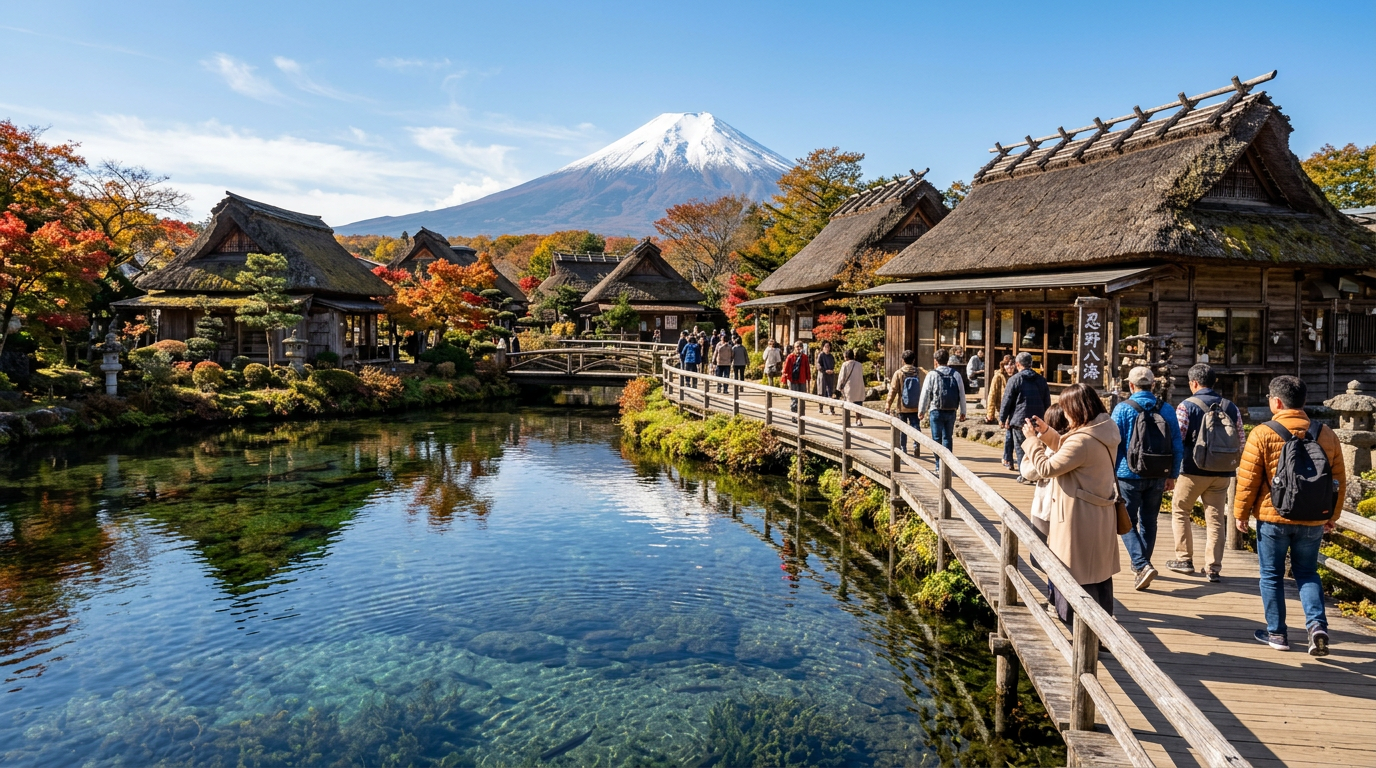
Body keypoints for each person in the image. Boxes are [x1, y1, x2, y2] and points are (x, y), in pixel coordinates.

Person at [1234, 375, 1345, 656]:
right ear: (1303, 402)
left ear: (1277, 401)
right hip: (1313, 518)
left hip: (1273, 517)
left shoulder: (1263, 432)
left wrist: (1240, 514)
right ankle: (1317, 626)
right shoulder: (1326, 433)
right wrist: (1332, 514)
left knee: (1271, 575)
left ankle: (1277, 634)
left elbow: (1248, 480)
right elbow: (1339, 480)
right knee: (1307, 572)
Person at [1019, 383, 1121, 624]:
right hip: (1099, 514)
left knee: (1073, 575)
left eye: (1065, 409)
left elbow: (1046, 468)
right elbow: (1074, 454)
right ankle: (1103, 630)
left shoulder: (1082, 441)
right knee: (1098, 575)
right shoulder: (1103, 429)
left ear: (1076, 409)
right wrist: (1047, 434)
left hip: (1078, 518)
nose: (1064, 414)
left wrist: (1033, 441)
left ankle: (1080, 633)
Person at [1167, 363, 1244, 582]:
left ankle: (1184, 559)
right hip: (1222, 472)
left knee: (1181, 510)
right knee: (1216, 519)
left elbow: (1178, 440)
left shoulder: (1186, 406)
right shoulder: (1231, 407)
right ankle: (1213, 567)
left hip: (1192, 470)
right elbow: (1240, 439)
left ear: (1193, 383)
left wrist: (1173, 470)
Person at [1112, 366, 1184, 592]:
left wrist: (1110, 475)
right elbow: (1177, 445)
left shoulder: (1123, 409)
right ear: (1153, 385)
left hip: (1128, 474)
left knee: (1125, 522)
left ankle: (1142, 565)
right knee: (1149, 521)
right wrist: (1172, 475)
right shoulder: (1167, 410)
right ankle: (1142, 566)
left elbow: (1114, 444)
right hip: (1158, 473)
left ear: (1130, 386)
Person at [1024, 404, 1070, 546]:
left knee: (1038, 552)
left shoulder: (1053, 448)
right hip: (1062, 507)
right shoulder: (1071, 442)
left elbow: (1028, 471)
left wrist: (1032, 441)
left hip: (1047, 506)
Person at [1000, 352, 1050, 476]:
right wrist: (1047, 419)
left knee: (1021, 448)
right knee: (1037, 446)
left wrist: (1002, 418)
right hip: (1038, 419)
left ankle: (1024, 474)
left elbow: (1007, 400)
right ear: (1031, 364)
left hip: (1019, 419)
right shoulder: (1041, 380)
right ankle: (1036, 471)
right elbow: (1047, 401)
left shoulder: (1015, 380)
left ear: (1017, 364)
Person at [916, 348, 967, 469]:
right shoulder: (956, 374)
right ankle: (947, 465)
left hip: (936, 410)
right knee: (948, 438)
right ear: (948, 360)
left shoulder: (932, 374)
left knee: (936, 439)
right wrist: (963, 411)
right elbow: (961, 394)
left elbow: (925, 393)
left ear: (935, 361)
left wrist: (921, 410)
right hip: (951, 410)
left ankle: (939, 465)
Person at [886, 350, 925, 456]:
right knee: (915, 425)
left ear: (902, 360)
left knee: (902, 427)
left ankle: (903, 447)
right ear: (914, 360)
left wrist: (888, 404)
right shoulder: (919, 372)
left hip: (902, 406)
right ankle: (916, 444)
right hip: (916, 406)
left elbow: (893, 390)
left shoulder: (899, 373)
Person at [837, 348, 866, 427]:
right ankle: (858, 420)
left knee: (847, 405)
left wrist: (839, 387)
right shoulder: (859, 365)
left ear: (846, 357)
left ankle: (846, 421)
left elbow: (841, 377)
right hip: (859, 387)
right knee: (858, 404)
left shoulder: (845, 364)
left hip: (849, 388)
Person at [781, 341, 811, 413]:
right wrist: (784, 379)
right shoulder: (790, 357)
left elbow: (808, 369)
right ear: (794, 348)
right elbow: (785, 369)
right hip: (792, 380)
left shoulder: (804, 357)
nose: (798, 348)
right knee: (794, 399)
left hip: (802, 380)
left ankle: (802, 416)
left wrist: (808, 380)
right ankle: (794, 416)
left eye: (800, 346)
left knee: (802, 399)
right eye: (797, 346)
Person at [988, 355, 1014, 428]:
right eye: (1006, 364)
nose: (1009, 367)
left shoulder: (1018, 376)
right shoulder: (998, 376)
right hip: (1001, 409)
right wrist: (990, 413)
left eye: (1011, 364)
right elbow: (992, 394)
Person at [816, 341, 838, 415]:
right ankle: (820, 408)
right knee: (821, 391)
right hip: (822, 375)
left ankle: (831, 409)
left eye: (828, 346)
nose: (827, 348)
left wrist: (831, 370)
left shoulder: (831, 356)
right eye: (825, 346)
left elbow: (833, 364)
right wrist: (825, 370)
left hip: (830, 375)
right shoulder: (821, 355)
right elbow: (818, 365)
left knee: (830, 392)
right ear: (823, 347)